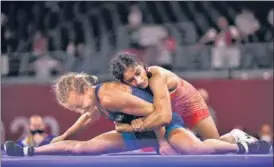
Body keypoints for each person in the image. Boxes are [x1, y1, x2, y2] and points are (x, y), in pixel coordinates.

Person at [4, 73, 271, 156]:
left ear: (85, 89)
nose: (82, 109)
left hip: (163, 124)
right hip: (138, 130)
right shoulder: (93, 100)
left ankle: (239, 143)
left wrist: (164, 141)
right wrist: (62, 136)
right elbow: (87, 118)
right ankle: (30, 152)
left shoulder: (109, 95)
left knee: (196, 150)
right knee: (80, 148)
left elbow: (158, 112)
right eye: (75, 109)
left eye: (80, 103)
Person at [110, 53, 254, 143]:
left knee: (215, 143)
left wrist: (135, 125)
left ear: (142, 65)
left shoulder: (156, 76)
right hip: (170, 109)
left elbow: (164, 117)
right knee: (188, 147)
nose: (139, 80)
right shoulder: (129, 89)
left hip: (188, 102)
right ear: (124, 83)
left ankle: (235, 136)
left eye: (138, 73)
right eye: (131, 80)